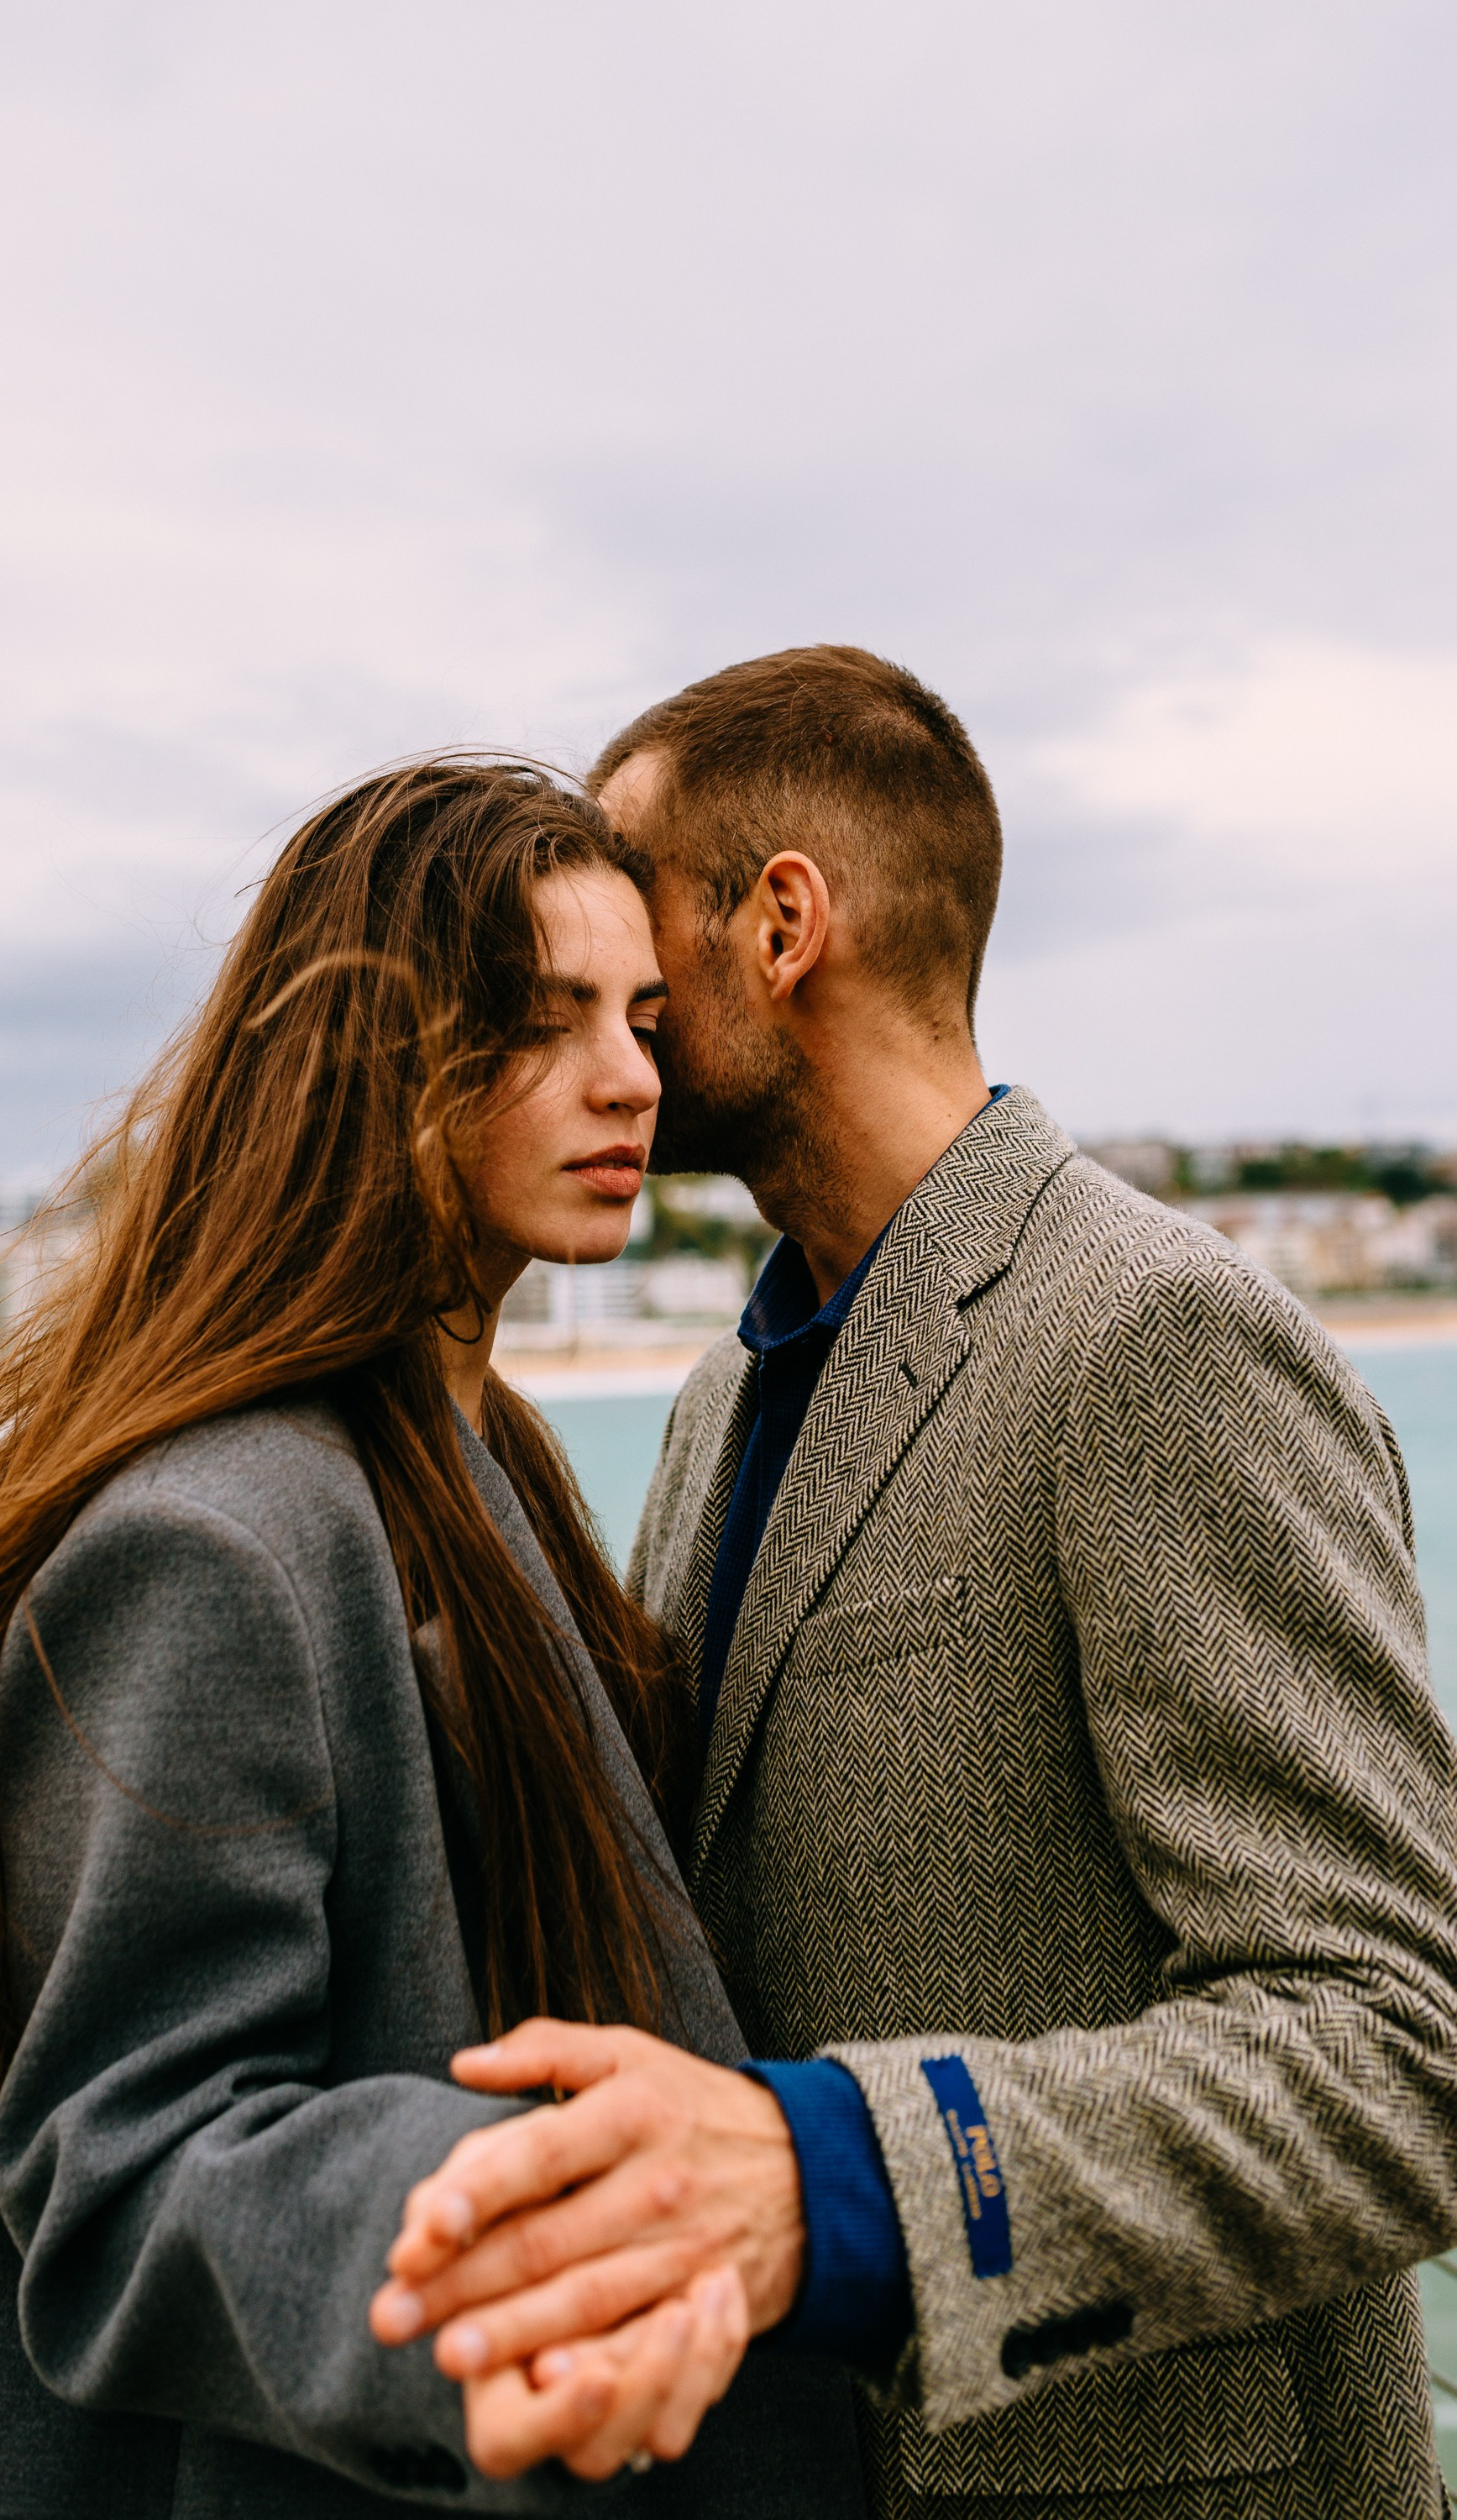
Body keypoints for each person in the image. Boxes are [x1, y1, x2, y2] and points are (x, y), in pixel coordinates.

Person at [369, 650, 1457, 2518]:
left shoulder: (1155, 1341)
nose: (603, 1010)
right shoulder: (721, 1401)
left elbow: (1394, 2039)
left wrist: (841, 2180)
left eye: (639, 910)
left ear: (780, 920)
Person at [0, 759, 865, 2517]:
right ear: (382, 1060)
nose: (631, 1079)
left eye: (644, 1017)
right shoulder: (214, 1539)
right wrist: (521, 2236)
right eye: (546, 1020)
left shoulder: (472, 1443)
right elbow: (121, 2163)